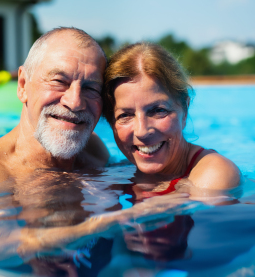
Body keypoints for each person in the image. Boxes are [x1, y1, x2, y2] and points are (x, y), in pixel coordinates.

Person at [0, 27, 110, 191]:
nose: (75, 102)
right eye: (59, 81)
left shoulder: (96, 152)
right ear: (22, 86)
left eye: (91, 88)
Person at [102, 41, 241, 198]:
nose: (142, 131)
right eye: (125, 115)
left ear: (185, 111)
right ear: (111, 122)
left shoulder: (215, 173)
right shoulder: (121, 171)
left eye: (158, 110)